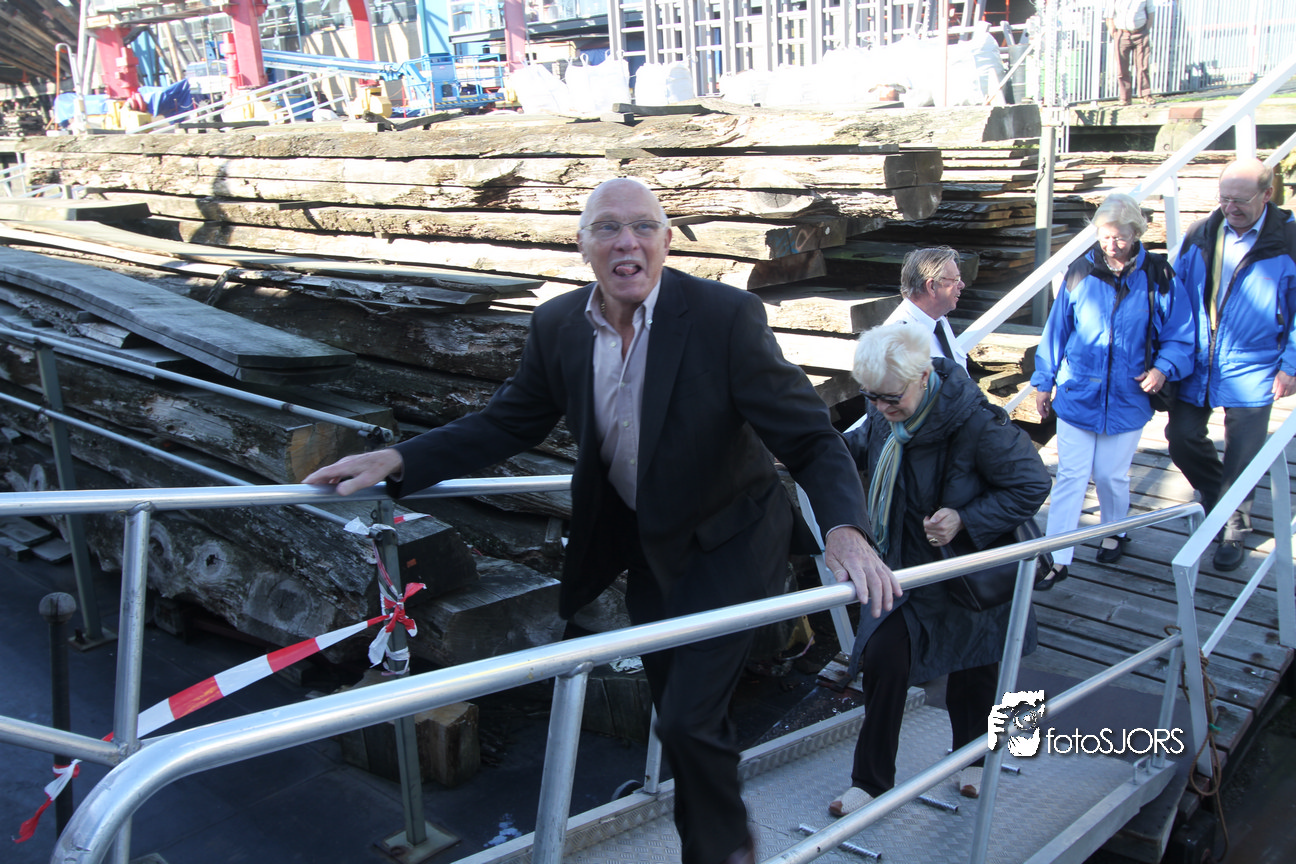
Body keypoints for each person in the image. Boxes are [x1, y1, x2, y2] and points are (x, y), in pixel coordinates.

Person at [304, 177, 902, 864]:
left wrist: (846, 530)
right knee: (679, 715)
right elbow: (507, 423)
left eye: (644, 226)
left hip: (732, 540)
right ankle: (720, 829)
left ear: (667, 241)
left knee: (689, 718)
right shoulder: (559, 325)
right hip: (648, 547)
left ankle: (722, 851)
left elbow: (811, 439)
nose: (628, 243)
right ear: (582, 243)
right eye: (608, 227)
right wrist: (399, 459)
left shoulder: (723, 318)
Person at [828, 324, 1051, 817]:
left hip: (966, 570)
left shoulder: (976, 424)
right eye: (871, 397)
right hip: (904, 567)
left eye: (890, 398)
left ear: (923, 376)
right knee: (883, 662)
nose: (880, 407)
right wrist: (809, 454)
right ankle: (870, 783)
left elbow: (1032, 484)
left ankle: (974, 759)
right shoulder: (885, 408)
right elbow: (858, 446)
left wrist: (965, 518)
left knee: (975, 667)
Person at [1031, 192, 1194, 585]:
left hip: (1128, 397)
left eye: (1119, 237)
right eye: (1104, 237)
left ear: (1136, 233)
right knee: (1071, 475)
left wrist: (1162, 369)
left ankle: (1114, 531)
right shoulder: (1080, 272)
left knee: (1109, 476)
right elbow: (1057, 331)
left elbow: (1181, 333)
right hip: (1078, 392)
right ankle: (1057, 557)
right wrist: (1043, 382)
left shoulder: (1159, 275)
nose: (1111, 245)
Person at [1167, 158, 1296, 572]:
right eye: (1224, 198)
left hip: (1256, 363)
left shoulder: (1289, 240)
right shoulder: (1201, 232)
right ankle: (1219, 500)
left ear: (1267, 194)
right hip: (1198, 359)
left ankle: (1233, 528)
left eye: (1240, 200)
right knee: (1181, 438)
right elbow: (1175, 293)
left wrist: (1291, 364)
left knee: (1243, 453)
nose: (1230, 208)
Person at [884, 246, 969, 373]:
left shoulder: (939, 321)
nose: (962, 285)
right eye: (955, 280)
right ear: (932, 286)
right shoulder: (899, 339)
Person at [1107, 0, 1156, 106]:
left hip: (1141, 33)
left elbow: (1151, 13)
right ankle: (1125, 98)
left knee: (1143, 66)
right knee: (1122, 68)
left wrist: (1146, 30)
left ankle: (1145, 95)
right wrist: (1113, 33)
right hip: (1122, 34)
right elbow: (1109, 16)